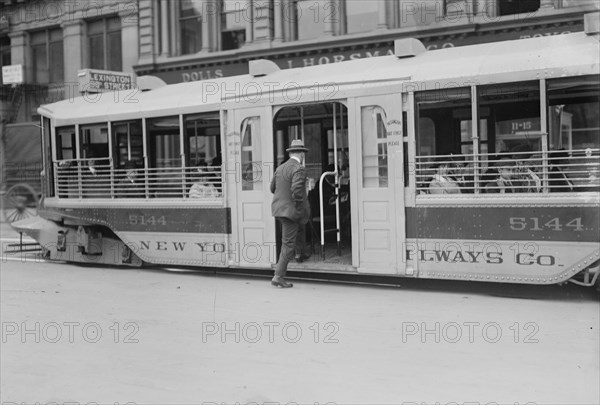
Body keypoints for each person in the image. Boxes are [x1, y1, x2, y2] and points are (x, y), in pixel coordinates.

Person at [270, 139, 311, 288]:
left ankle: (280, 273)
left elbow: (272, 188)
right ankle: (278, 276)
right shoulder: (299, 169)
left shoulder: (280, 168)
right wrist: (299, 210)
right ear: (301, 154)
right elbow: (297, 191)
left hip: (279, 210)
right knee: (288, 244)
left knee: (288, 241)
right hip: (291, 212)